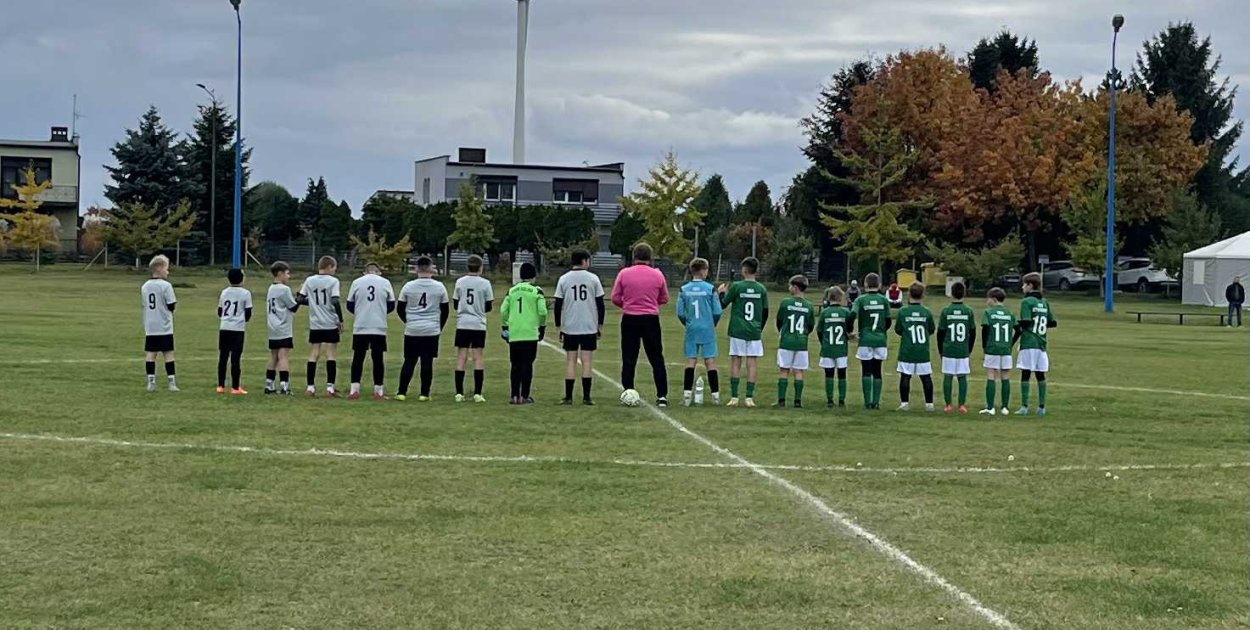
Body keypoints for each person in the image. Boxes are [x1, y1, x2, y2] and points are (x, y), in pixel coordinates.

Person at [611, 243, 670, 406]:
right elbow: (664, 298)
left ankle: (628, 390)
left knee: (629, 357)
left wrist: (628, 304)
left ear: (634, 256)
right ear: (650, 257)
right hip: (650, 319)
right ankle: (662, 395)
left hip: (630, 318)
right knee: (656, 357)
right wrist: (651, 304)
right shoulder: (658, 275)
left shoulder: (624, 274)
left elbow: (615, 297)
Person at [555, 248, 606, 405]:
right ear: (584, 261)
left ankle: (569, 397)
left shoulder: (564, 279)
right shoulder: (593, 279)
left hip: (570, 326)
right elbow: (600, 305)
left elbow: (558, 305)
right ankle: (586, 397)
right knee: (587, 360)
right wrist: (600, 325)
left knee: (570, 360)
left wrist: (559, 326)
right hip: (589, 326)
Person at [717, 257, 768, 407]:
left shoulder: (737, 286)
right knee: (752, 364)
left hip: (738, 329)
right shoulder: (761, 289)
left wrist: (721, 293)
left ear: (744, 270)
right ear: (756, 271)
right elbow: (765, 312)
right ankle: (749, 398)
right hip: (754, 330)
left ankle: (734, 397)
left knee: (736, 362)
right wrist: (759, 328)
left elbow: (723, 305)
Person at [396, 256, 449, 402]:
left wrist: (408, 321)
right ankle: (424, 394)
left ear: (416, 269)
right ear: (431, 268)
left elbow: (400, 308)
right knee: (427, 362)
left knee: (409, 361)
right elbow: (445, 310)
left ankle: (402, 392)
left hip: (413, 329)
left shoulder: (408, 286)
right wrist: (439, 326)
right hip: (431, 329)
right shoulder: (439, 287)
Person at [676, 257, 722, 406]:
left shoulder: (684, 289)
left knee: (691, 360)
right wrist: (711, 323)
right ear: (704, 271)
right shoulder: (710, 289)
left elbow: (680, 312)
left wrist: (687, 323)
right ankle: (715, 397)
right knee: (710, 361)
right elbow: (717, 311)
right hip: (707, 328)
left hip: (692, 328)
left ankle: (687, 396)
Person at [346, 262, 396, 400]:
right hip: (379, 325)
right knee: (378, 358)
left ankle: (354, 389)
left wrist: (359, 312)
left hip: (361, 325)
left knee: (358, 357)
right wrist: (380, 312)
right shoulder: (385, 282)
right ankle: (378, 391)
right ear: (379, 272)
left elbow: (349, 304)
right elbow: (391, 304)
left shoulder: (356, 282)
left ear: (364, 272)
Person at [501, 262, 547, 404]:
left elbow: (503, 310)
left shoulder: (512, 291)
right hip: (530, 333)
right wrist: (542, 327)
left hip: (515, 332)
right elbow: (543, 312)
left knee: (515, 365)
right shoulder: (536, 291)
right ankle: (525, 396)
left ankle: (514, 395)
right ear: (534, 276)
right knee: (527, 364)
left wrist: (505, 326)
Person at [298, 256, 344, 397]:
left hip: (315, 322)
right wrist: (340, 320)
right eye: (334, 268)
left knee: (314, 353)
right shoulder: (333, 281)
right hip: (330, 322)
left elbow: (299, 299)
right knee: (330, 353)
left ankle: (310, 387)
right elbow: (335, 300)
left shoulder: (309, 280)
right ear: (329, 266)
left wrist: (311, 302)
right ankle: (330, 388)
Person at [452, 254, 493, 402]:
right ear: (481, 267)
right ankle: (477, 393)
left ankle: (459, 393)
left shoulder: (460, 282)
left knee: (461, 357)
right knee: (478, 357)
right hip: (478, 324)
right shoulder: (485, 283)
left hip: (463, 323)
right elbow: (488, 306)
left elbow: (456, 303)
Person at [1016, 272, 1057, 416]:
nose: (1022, 287)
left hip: (1029, 342)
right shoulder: (1044, 302)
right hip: (1041, 343)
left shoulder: (1026, 302)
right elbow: (1052, 322)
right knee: (1040, 375)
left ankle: (1024, 406)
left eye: (1024, 284)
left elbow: (1026, 322)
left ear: (1030, 285)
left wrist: (1017, 325)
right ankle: (1041, 407)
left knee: (1026, 374)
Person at [850, 273, 890, 409]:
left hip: (865, 339)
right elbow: (888, 320)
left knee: (866, 370)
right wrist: (881, 331)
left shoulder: (860, 300)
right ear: (879, 285)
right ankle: (876, 402)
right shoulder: (884, 300)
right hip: (880, 339)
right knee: (878, 370)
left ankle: (867, 402)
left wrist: (850, 331)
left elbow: (852, 315)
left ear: (865, 284)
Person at [893, 282, 936, 411]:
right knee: (926, 377)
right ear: (922, 295)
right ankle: (929, 404)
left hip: (907, 350)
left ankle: (904, 404)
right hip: (922, 350)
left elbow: (898, 329)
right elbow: (931, 329)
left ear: (909, 294)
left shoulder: (903, 311)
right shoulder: (926, 312)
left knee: (905, 377)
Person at [774, 275, 816, 408]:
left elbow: (779, 321)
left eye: (790, 286)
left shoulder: (786, 303)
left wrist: (783, 332)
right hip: (801, 343)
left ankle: (781, 400)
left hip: (786, 341)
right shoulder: (809, 306)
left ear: (796, 288)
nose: (789, 288)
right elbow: (810, 326)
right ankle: (797, 401)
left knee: (784, 371)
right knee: (798, 371)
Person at [140, 254, 179, 393]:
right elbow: (171, 305)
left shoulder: (145, 286)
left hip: (150, 325)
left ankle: (151, 382)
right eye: (167, 268)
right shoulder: (166, 286)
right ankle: (172, 382)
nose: (168, 272)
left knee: (151, 354)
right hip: (164, 326)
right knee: (168, 354)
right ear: (160, 268)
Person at [937, 281, 976, 413]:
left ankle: (948, 405)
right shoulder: (968, 311)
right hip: (963, 349)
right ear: (964, 293)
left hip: (948, 348)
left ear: (951, 293)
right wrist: (969, 348)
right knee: (962, 377)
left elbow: (940, 333)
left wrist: (940, 350)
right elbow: (973, 332)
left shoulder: (946, 311)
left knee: (948, 376)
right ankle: (961, 405)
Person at [979, 287, 1017, 416]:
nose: (987, 301)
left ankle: (990, 407)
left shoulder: (988, 312)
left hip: (992, 347)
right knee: (1005, 376)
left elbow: (985, 329)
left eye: (988, 298)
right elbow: (1019, 329)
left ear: (994, 299)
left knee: (991, 375)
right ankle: (1005, 407)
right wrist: (1010, 343)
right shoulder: (1009, 313)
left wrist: (984, 346)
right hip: (1006, 348)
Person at [264, 261, 300, 395]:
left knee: (273, 356)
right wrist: (301, 297)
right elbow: (293, 307)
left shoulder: (271, 288)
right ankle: (284, 387)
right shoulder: (283, 289)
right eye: (287, 273)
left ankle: (269, 385)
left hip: (272, 327)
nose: (289, 276)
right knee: (283, 355)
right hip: (283, 326)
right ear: (280, 274)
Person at [216, 268, 253, 395]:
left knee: (223, 357)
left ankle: (220, 386)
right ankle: (235, 387)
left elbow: (220, 311)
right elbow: (248, 313)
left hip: (224, 327)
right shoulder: (246, 293)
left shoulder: (224, 292)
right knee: (236, 358)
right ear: (241, 278)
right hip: (237, 329)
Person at [817, 286, 852, 408]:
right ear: (840, 298)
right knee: (842, 374)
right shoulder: (845, 312)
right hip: (841, 348)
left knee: (829, 374)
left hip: (828, 348)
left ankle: (830, 400)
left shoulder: (825, 313)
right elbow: (849, 329)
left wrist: (823, 343)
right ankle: (842, 400)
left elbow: (819, 331)